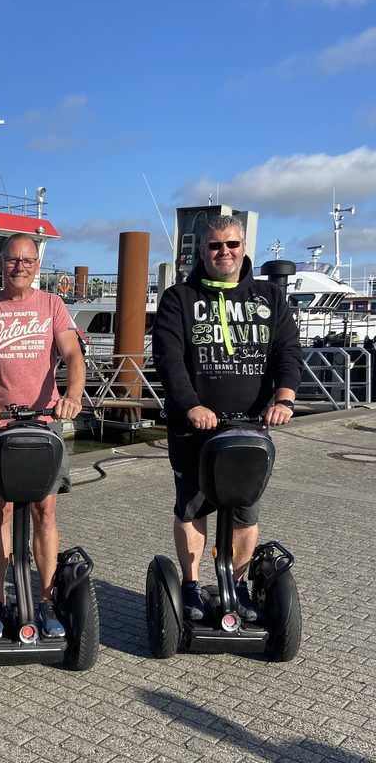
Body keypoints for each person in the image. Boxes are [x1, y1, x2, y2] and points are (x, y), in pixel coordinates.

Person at [152, 214, 302, 622]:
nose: (225, 252)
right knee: (192, 508)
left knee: (243, 509)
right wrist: (190, 405)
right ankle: (189, 584)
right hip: (193, 427)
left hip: (250, 427)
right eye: (216, 246)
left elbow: (287, 352)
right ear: (202, 251)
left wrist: (284, 400)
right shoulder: (178, 298)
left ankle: (234, 585)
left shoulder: (269, 296)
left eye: (232, 245)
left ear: (243, 248)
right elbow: (168, 360)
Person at [0, 233, 86, 639]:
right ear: (1, 264)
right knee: (1, 512)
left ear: (37, 266)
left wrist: (73, 396)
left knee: (45, 512)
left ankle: (45, 599)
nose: (20, 267)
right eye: (13, 260)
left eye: (28, 261)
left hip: (44, 423)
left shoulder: (52, 305)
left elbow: (73, 355)